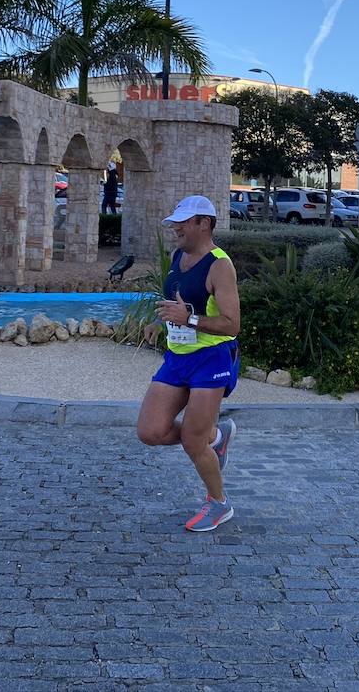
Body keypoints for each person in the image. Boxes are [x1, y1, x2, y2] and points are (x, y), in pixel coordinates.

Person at [137, 195, 241, 533]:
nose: (175, 227)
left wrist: (190, 320)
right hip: (178, 356)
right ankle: (217, 435)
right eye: (175, 221)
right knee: (150, 431)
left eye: (183, 221)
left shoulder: (220, 265)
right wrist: (162, 322)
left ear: (204, 223)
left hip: (212, 358)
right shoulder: (178, 255)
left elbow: (231, 324)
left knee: (192, 442)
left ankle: (219, 503)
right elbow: (176, 300)